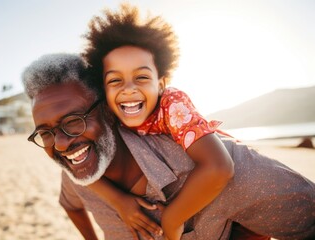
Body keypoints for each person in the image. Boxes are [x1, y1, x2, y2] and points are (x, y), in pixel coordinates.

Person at [22, 53, 315, 240]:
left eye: (74, 121)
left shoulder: (219, 169)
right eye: (44, 132)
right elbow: (69, 203)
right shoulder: (79, 171)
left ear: (110, 110)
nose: (60, 144)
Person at [81, 4, 235, 239]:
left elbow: (218, 166)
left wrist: (172, 219)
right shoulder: (106, 112)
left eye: (141, 77)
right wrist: (120, 201)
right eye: (115, 80)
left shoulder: (172, 103)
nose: (129, 88)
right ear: (102, 89)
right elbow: (69, 158)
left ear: (161, 84)